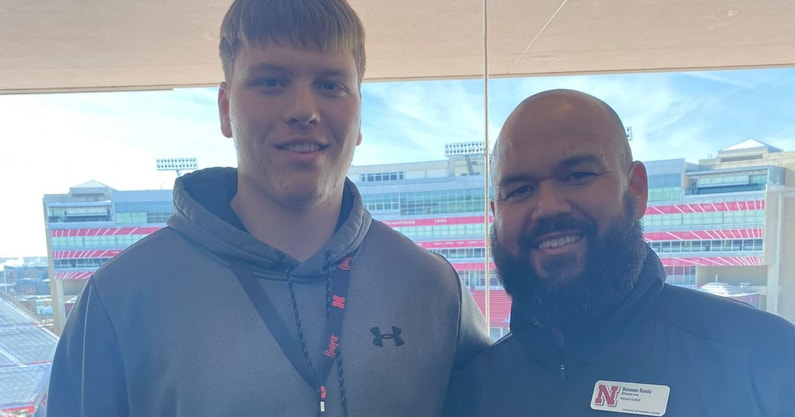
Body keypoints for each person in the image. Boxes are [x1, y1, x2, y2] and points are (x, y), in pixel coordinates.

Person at [47, 0, 490, 415]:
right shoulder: (119, 301)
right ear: (226, 109)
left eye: (330, 85)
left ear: (360, 117)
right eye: (271, 82)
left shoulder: (435, 292)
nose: (303, 109)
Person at [443, 89, 795, 417]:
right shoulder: (470, 390)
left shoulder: (766, 360)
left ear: (636, 189)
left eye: (578, 175)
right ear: (495, 213)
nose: (548, 207)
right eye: (519, 190)